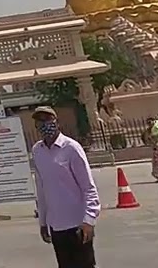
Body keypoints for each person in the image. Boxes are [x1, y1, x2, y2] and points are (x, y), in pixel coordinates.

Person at [31, 106, 99, 268]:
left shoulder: (71, 148)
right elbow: (42, 189)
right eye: (40, 121)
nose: (44, 124)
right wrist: (43, 222)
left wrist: (89, 220)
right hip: (57, 225)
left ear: (57, 122)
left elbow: (88, 187)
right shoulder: (37, 151)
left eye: (48, 119)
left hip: (78, 224)